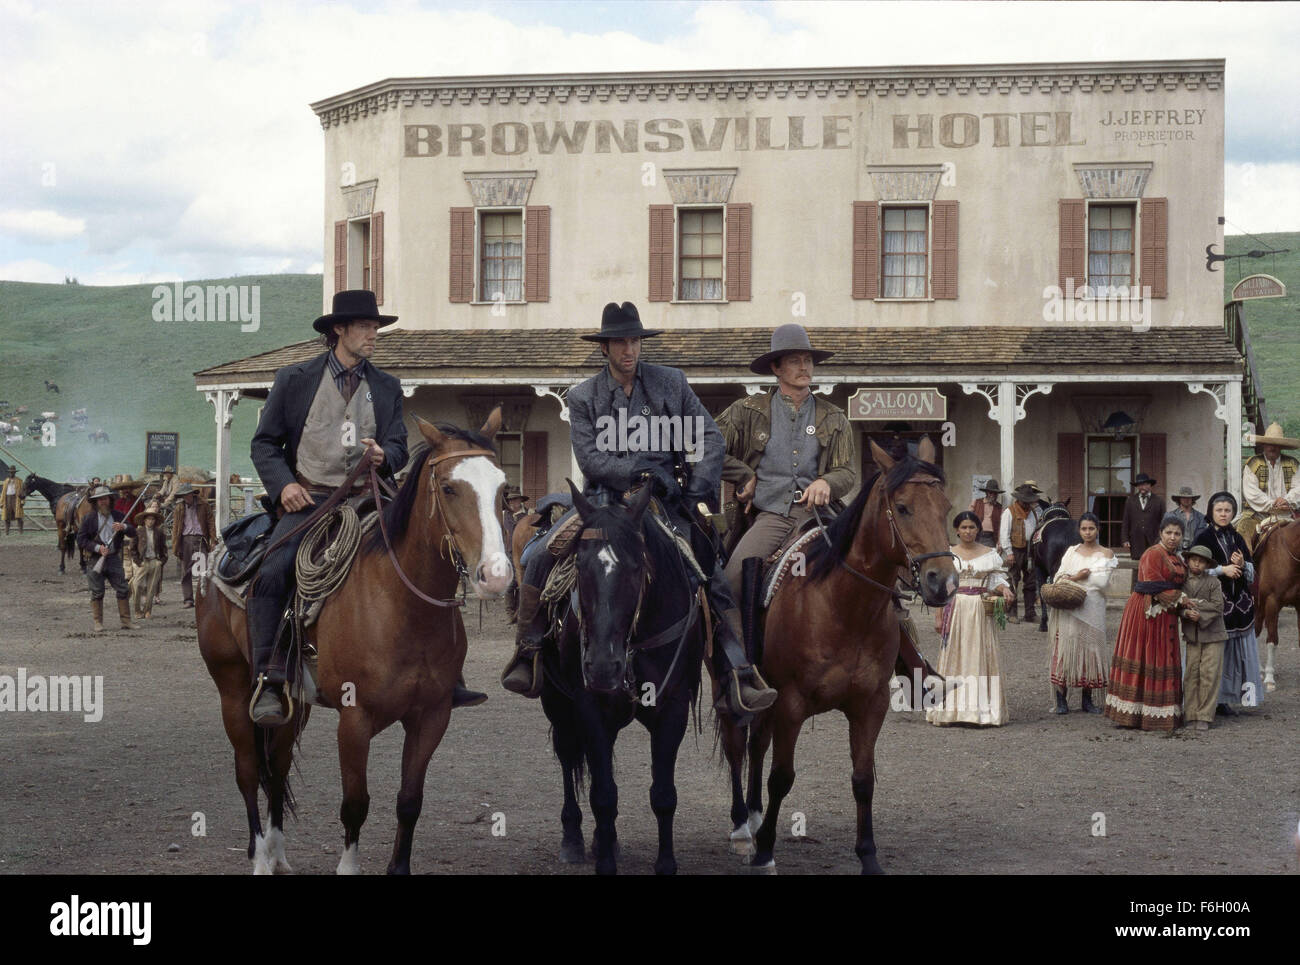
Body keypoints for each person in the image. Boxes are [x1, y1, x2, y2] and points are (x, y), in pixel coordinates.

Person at [502, 301, 777, 717]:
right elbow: (591, 459)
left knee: (709, 566)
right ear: (605, 349)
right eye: (619, 343)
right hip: (602, 504)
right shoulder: (583, 398)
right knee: (540, 553)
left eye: (633, 341)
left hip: (664, 504)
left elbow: (710, 439)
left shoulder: (672, 384)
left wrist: (696, 489)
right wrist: (639, 471)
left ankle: (736, 670)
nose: (628, 350)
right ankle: (530, 651)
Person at [1104, 513, 1190, 732]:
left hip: (1166, 614)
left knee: (1161, 657)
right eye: (1168, 533)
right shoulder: (1153, 554)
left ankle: (1162, 713)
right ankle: (1131, 716)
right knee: (1145, 655)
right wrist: (1182, 598)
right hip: (1146, 612)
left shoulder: (1177, 558)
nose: (1173, 537)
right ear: (1160, 533)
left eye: (1177, 534)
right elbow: (1152, 586)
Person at [927, 511, 1014, 726]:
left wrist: (1004, 589)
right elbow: (942, 587)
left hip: (979, 610)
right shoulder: (948, 554)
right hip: (954, 609)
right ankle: (952, 710)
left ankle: (981, 712)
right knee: (956, 654)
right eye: (964, 527)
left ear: (978, 529)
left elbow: (995, 578)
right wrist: (939, 616)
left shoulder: (990, 554)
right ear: (957, 530)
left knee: (979, 654)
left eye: (972, 527)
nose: (968, 531)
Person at [1192, 492, 1263, 717]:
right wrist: (1223, 570)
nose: (1223, 514)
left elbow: (1251, 573)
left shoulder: (1237, 537)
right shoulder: (1203, 537)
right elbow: (1194, 570)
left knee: (1235, 654)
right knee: (1214, 654)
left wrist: (1242, 564)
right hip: (1215, 604)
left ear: (1233, 513)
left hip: (1238, 605)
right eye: (1219, 510)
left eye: (1228, 510)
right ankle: (1210, 699)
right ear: (1211, 512)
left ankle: (1229, 698)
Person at [1047, 512, 1118, 714]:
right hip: (1070, 605)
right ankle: (1061, 699)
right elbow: (1059, 578)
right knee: (1065, 649)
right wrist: (1077, 577)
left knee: (1090, 650)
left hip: (1093, 607)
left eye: (1091, 528)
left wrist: (1075, 579)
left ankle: (1087, 700)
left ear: (1098, 529)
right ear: (1079, 530)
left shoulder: (1107, 554)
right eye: (1084, 529)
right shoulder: (1072, 551)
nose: (1088, 532)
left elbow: (1102, 582)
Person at [1178, 544, 1227, 732]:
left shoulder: (1213, 582)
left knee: (1209, 674)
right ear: (1188, 561)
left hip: (1213, 634)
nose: (1197, 564)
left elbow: (1218, 607)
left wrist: (1200, 613)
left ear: (1207, 565)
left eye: (1201, 561)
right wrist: (1185, 614)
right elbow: (1178, 606)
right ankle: (1190, 714)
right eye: (1193, 560)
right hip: (1192, 635)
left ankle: (1205, 715)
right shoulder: (1182, 583)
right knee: (1191, 674)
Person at [75, 485, 136, 632]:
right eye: (100, 499)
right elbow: (81, 540)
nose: (103, 502)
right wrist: (98, 548)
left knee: (123, 588)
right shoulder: (89, 518)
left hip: (114, 558)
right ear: (95, 502)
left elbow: (133, 531)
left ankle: (126, 621)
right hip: (96, 559)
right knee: (97, 591)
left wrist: (124, 527)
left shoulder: (119, 516)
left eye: (105, 498)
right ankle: (98, 623)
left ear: (110, 500)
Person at [1238, 422, 1300, 550]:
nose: (1272, 448)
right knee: (1243, 530)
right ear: (1264, 445)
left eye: (1276, 445)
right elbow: (1252, 493)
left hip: (1288, 513)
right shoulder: (1253, 463)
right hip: (1258, 514)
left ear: (1281, 447)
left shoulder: (1293, 463)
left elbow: (1298, 487)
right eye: (1269, 444)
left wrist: (1287, 500)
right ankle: (1246, 567)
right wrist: (1272, 504)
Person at [998, 482, 1042, 624]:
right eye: (1026, 501)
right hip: (1015, 550)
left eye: (1030, 501)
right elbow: (1004, 534)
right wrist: (1009, 553)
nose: (1028, 504)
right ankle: (1012, 613)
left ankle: (1030, 613)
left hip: (1030, 551)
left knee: (1030, 582)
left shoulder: (1033, 513)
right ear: (1020, 500)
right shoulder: (1009, 512)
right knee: (1013, 581)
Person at [171, 483, 214, 608]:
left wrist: (213, 540)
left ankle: (204, 598)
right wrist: (176, 545)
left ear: (192, 494)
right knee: (186, 571)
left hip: (200, 539)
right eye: (183, 495)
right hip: (185, 540)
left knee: (203, 570)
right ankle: (188, 599)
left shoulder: (203, 505)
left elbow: (210, 522)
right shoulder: (179, 507)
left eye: (187, 494)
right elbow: (176, 528)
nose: (186, 497)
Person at [130, 501, 168, 619]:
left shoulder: (159, 533)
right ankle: (137, 610)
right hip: (142, 562)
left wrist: (161, 561)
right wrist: (138, 561)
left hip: (154, 561)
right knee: (136, 585)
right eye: (148, 519)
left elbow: (164, 549)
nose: (151, 521)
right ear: (144, 520)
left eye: (153, 519)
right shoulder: (138, 532)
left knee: (152, 588)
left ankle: (147, 610)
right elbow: (133, 548)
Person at [1121, 472, 1165, 560]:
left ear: (1150, 485)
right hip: (1136, 541)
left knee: (1153, 566)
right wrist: (1125, 539)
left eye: (1145, 484)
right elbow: (1126, 521)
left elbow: (1163, 523)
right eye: (1139, 485)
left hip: (1154, 541)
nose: (1142, 487)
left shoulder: (1159, 501)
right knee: (1137, 569)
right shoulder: (1130, 501)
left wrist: (1161, 539)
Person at [1170, 485, 1208, 551]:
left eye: (1189, 498)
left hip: (1194, 552)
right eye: (1183, 498)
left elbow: (1202, 536)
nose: (1186, 500)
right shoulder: (1171, 515)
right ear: (1179, 499)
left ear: (1192, 499)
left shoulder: (1201, 517)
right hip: (1175, 551)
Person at [968, 480, 1004, 549]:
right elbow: (967, 519)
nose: (992, 495)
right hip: (976, 536)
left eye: (995, 493)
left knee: (988, 557)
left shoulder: (1000, 508)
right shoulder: (976, 503)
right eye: (990, 493)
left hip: (990, 538)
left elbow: (1001, 527)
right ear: (986, 493)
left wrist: (999, 542)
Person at [1, 466, 23, 535]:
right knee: (7, 516)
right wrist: (1, 502)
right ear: (9, 473)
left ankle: (20, 532)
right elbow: (3, 492)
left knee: (19, 516)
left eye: (13, 472)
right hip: (7, 499)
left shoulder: (19, 481)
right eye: (10, 472)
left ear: (15, 473)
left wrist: (22, 501)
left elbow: (22, 492)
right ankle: (7, 532)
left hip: (16, 499)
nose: (11, 474)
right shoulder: (6, 481)